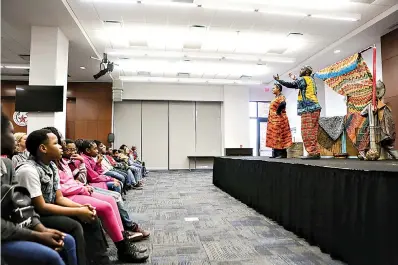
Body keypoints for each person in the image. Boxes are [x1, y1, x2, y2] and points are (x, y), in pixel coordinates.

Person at [15, 129, 112, 265]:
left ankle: (100, 261)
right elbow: (41, 207)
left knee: (91, 217)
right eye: (56, 143)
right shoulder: (28, 171)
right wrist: (78, 211)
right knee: (74, 226)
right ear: (43, 148)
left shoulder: (52, 167)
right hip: (30, 217)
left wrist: (82, 208)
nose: (62, 146)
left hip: (47, 210)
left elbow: (59, 198)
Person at [1, 111, 77, 265]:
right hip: (5, 233)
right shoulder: (26, 169)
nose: (15, 139)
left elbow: (21, 204)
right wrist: (35, 235)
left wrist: (42, 229)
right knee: (50, 257)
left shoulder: (7, 165)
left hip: (12, 227)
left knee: (66, 240)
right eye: (11, 133)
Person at [63, 139, 150, 237]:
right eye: (68, 150)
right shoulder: (78, 161)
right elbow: (88, 178)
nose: (73, 152)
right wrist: (110, 179)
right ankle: (127, 228)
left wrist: (99, 164)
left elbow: (94, 173)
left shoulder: (72, 162)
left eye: (74, 150)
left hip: (84, 187)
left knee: (116, 191)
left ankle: (123, 229)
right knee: (115, 192)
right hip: (84, 188)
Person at [274, 66, 322, 159]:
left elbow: (291, 85)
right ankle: (315, 152)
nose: (300, 71)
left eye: (302, 70)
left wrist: (279, 81)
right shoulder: (310, 79)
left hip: (308, 108)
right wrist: (294, 77)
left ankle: (313, 153)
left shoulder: (304, 79)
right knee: (313, 131)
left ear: (307, 72)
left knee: (307, 131)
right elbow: (299, 82)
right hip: (314, 107)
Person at [266, 84, 293, 158]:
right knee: (273, 136)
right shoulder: (275, 98)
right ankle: (275, 153)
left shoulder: (281, 97)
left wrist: (278, 111)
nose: (272, 89)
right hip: (273, 120)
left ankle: (281, 153)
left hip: (279, 120)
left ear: (278, 89)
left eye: (274, 88)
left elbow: (283, 103)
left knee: (279, 136)